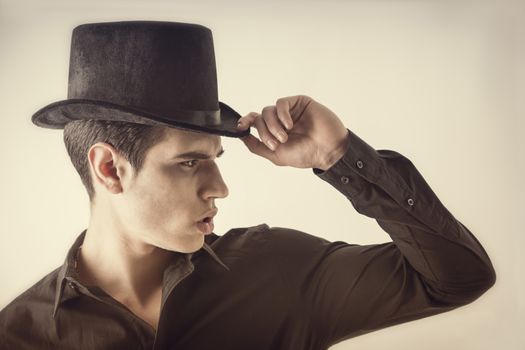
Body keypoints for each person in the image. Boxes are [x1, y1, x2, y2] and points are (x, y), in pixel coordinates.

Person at [0, 21, 496, 350]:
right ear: (109, 169)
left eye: (216, 159)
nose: (221, 187)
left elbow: (458, 278)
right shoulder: (19, 335)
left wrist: (341, 155)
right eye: (191, 163)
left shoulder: (277, 270)